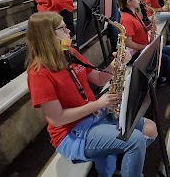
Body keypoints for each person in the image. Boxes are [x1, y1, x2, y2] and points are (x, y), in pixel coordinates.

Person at [26, 12, 157, 177]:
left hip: (95, 116)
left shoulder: (69, 52)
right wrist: (97, 104)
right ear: (47, 35)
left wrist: (117, 63)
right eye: (63, 29)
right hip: (72, 132)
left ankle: (116, 160)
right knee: (136, 140)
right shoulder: (38, 73)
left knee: (151, 129)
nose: (69, 32)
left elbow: (100, 79)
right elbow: (56, 118)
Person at [117, 0, 170, 92]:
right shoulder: (126, 19)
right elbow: (129, 43)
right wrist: (145, 47)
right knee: (165, 59)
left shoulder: (134, 13)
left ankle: (164, 76)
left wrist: (149, 27)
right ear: (128, 2)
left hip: (143, 47)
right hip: (136, 53)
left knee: (169, 50)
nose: (139, 0)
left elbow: (140, 28)